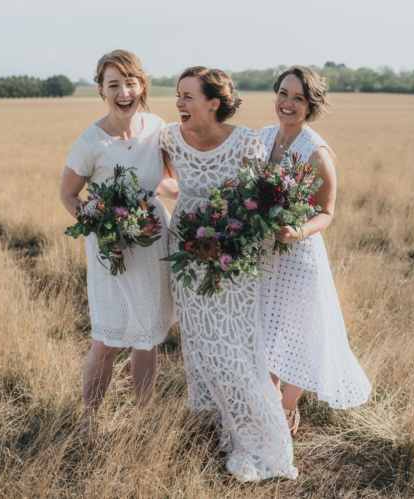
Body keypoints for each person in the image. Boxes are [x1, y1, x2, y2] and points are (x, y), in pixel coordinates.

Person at [160, 66, 297, 482]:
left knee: (236, 342)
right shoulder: (168, 138)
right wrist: (182, 203)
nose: (179, 103)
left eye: (188, 96)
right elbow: (165, 182)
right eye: (177, 95)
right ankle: (228, 424)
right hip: (185, 250)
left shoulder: (246, 141)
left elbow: (254, 200)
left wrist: (226, 225)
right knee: (202, 341)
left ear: (213, 103)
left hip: (234, 253)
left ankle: (263, 440)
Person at [59, 50, 176, 437]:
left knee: (148, 339)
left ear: (142, 85)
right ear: (101, 90)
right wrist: (100, 224)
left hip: (153, 244)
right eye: (114, 85)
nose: (123, 92)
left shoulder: (157, 127)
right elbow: (68, 195)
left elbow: (169, 182)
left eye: (130, 83)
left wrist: (198, 198)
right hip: (112, 252)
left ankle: (142, 423)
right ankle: (89, 422)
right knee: (105, 341)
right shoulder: (91, 142)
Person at [258, 66, 371, 434]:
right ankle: (268, 405)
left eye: (298, 98)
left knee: (300, 337)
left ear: (310, 106)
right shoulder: (261, 137)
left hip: (298, 257)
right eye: (283, 93)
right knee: (265, 333)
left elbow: (327, 212)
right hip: (264, 256)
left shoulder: (316, 151)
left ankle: (285, 413)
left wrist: (298, 231)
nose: (287, 103)